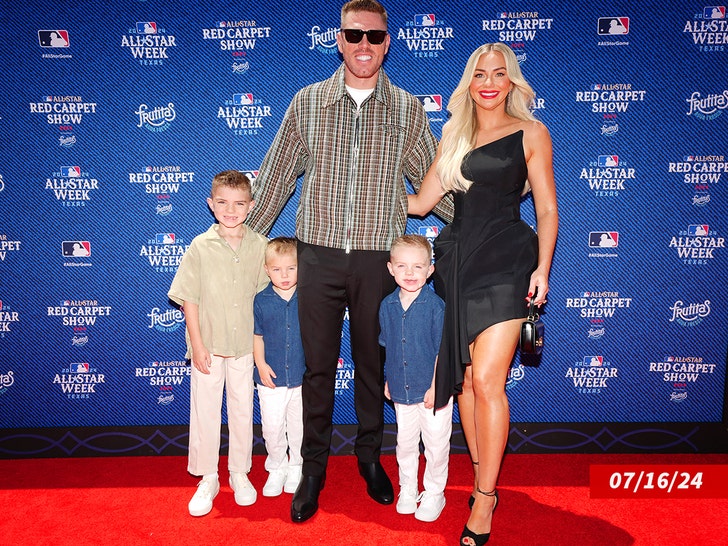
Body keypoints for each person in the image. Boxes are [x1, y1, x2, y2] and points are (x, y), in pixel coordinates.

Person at [245, 0, 453, 524]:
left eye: (374, 37)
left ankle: (368, 459)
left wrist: (487, 219)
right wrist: (242, 245)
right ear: (338, 39)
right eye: (354, 35)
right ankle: (311, 468)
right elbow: (273, 180)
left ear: (388, 42)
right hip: (314, 254)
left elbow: (432, 184)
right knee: (315, 367)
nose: (364, 45)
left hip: (376, 260)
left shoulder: (407, 109)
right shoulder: (307, 102)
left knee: (371, 365)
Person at [408, 43, 558, 545]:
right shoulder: (454, 135)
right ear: (468, 83)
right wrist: (357, 182)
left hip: (508, 261)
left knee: (490, 381)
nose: (489, 82)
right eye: (479, 74)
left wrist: (542, 268)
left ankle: (486, 499)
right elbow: (421, 202)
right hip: (458, 262)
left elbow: (547, 210)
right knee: (468, 384)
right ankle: (479, 475)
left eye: (499, 73)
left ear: (512, 81)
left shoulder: (532, 132)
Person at [168, 170, 268, 517]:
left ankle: (239, 472)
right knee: (206, 411)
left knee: (242, 410)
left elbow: (264, 298)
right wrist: (197, 344)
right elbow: (188, 298)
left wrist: (261, 349)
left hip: (244, 346)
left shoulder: (260, 245)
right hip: (208, 345)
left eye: (239, 203)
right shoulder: (200, 245)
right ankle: (208, 476)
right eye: (223, 202)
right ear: (211, 205)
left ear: (251, 206)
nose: (230, 209)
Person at [378, 235, 452, 522]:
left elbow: (440, 353)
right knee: (405, 444)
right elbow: (389, 346)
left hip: (433, 389)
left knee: (435, 444)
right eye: (402, 266)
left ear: (430, 270)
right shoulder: (387, 306)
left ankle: (435, 492)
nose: (410, 274)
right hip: (400, 388)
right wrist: (388, 378)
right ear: (390, 268)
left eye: (418, 267)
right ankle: (408, 487)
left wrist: (436, 385)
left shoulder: (436, 307)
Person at [253, 237, 305, 497]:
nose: (284, 275)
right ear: (266, 270)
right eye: (276, 269)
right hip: (270, 378)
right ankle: (276, 467)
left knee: (298, 426)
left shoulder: (308, 298)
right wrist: (260, 364)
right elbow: (257, 336)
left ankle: (296, 465)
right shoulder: (260, 301)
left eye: (291, 268)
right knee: (272, 427)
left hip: (300, 376)